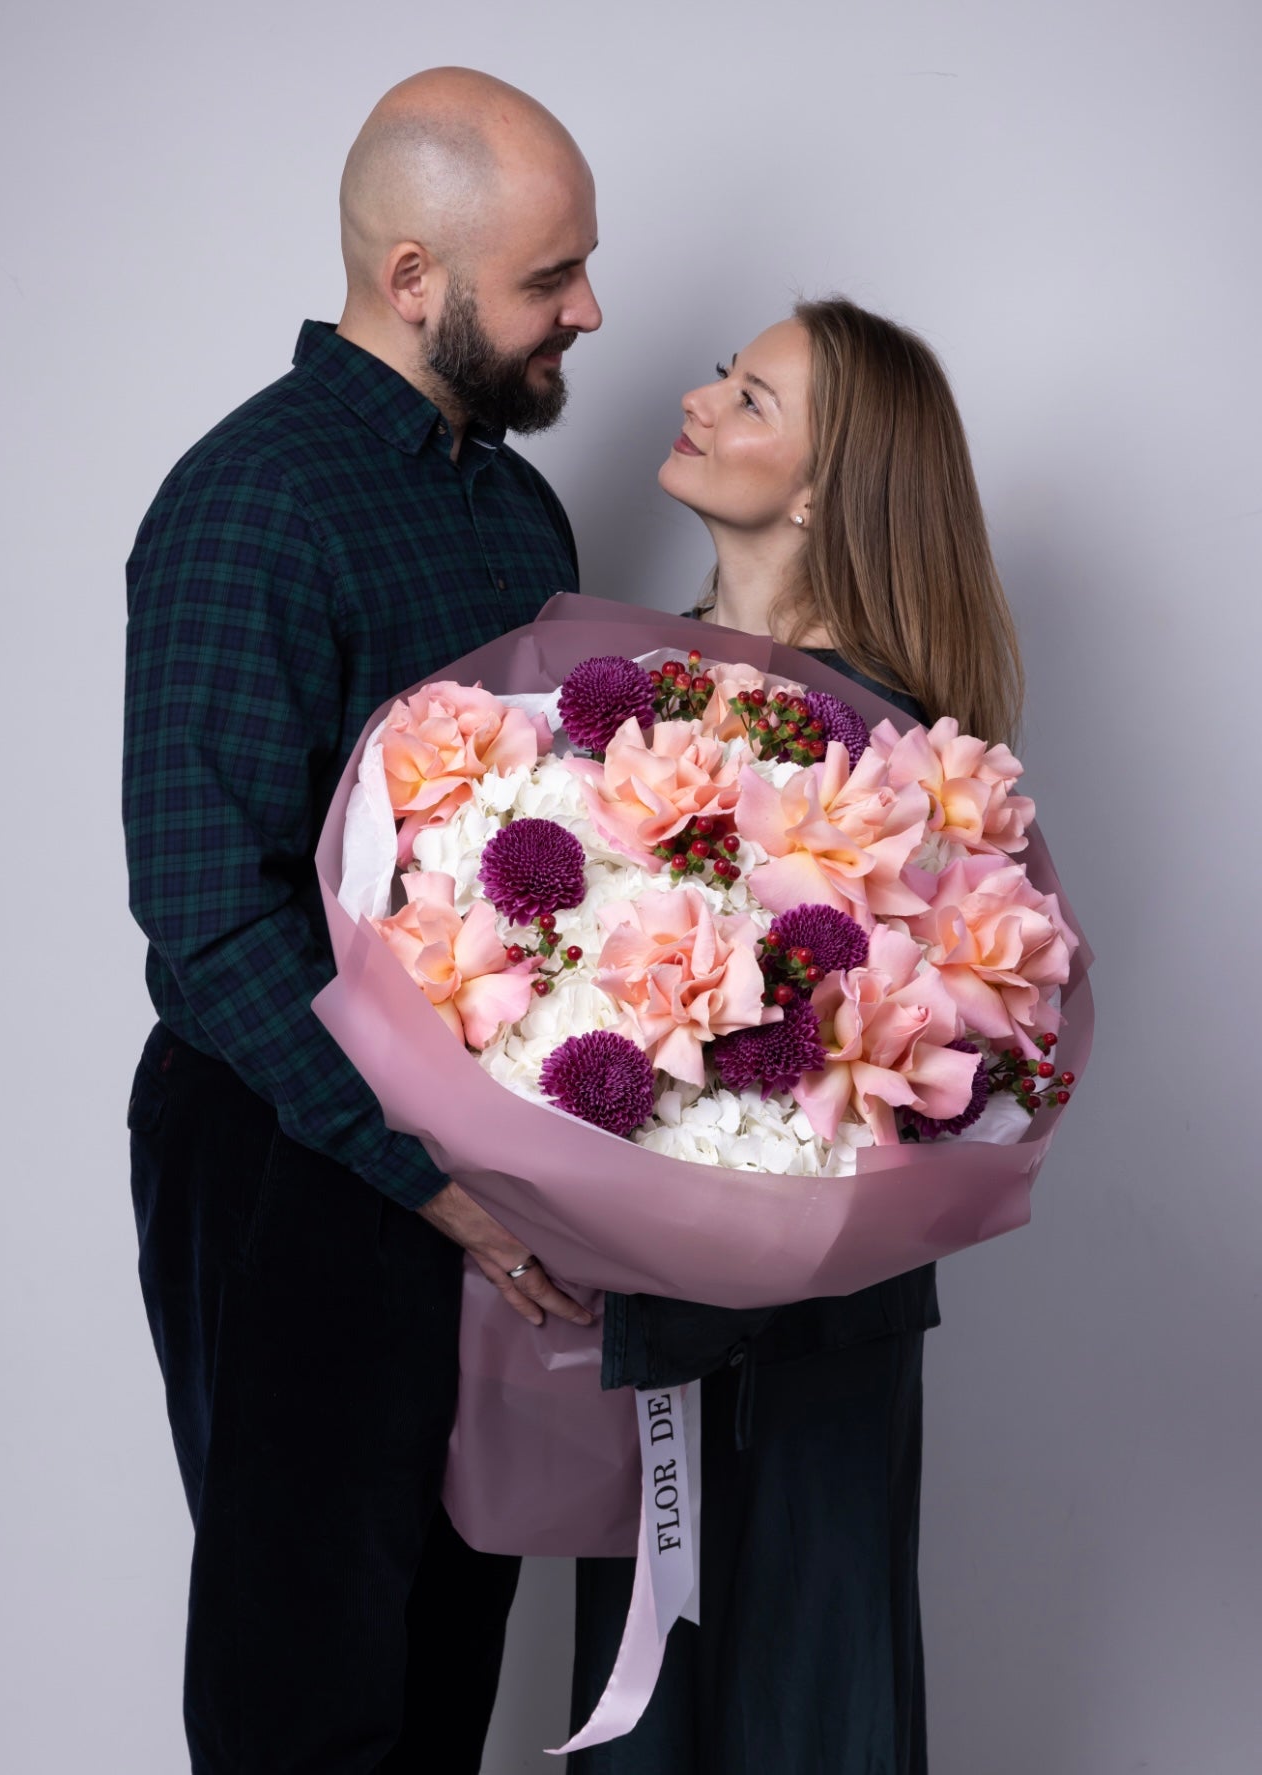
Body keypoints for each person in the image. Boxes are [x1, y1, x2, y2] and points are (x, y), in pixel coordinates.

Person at [122, 67, 601, 1775]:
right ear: (417, 281)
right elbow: (207, 921)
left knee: (446, 1654)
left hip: (469, 1168)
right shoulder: (252, 500)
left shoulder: (513, 502)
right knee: (305, 1687)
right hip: (289, 1159)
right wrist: (427, 1178)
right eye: (552, 280)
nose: (589, 311)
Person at [569, 299, 1025, 1775]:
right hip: (645, 1324)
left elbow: (940, 1055)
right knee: (645, 1720)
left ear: (828, 488)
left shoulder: (897, 746)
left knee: (813, 1723)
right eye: (721, 378)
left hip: (827, 1332)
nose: (702, 401)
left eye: (751, 399)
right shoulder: (623, 691)